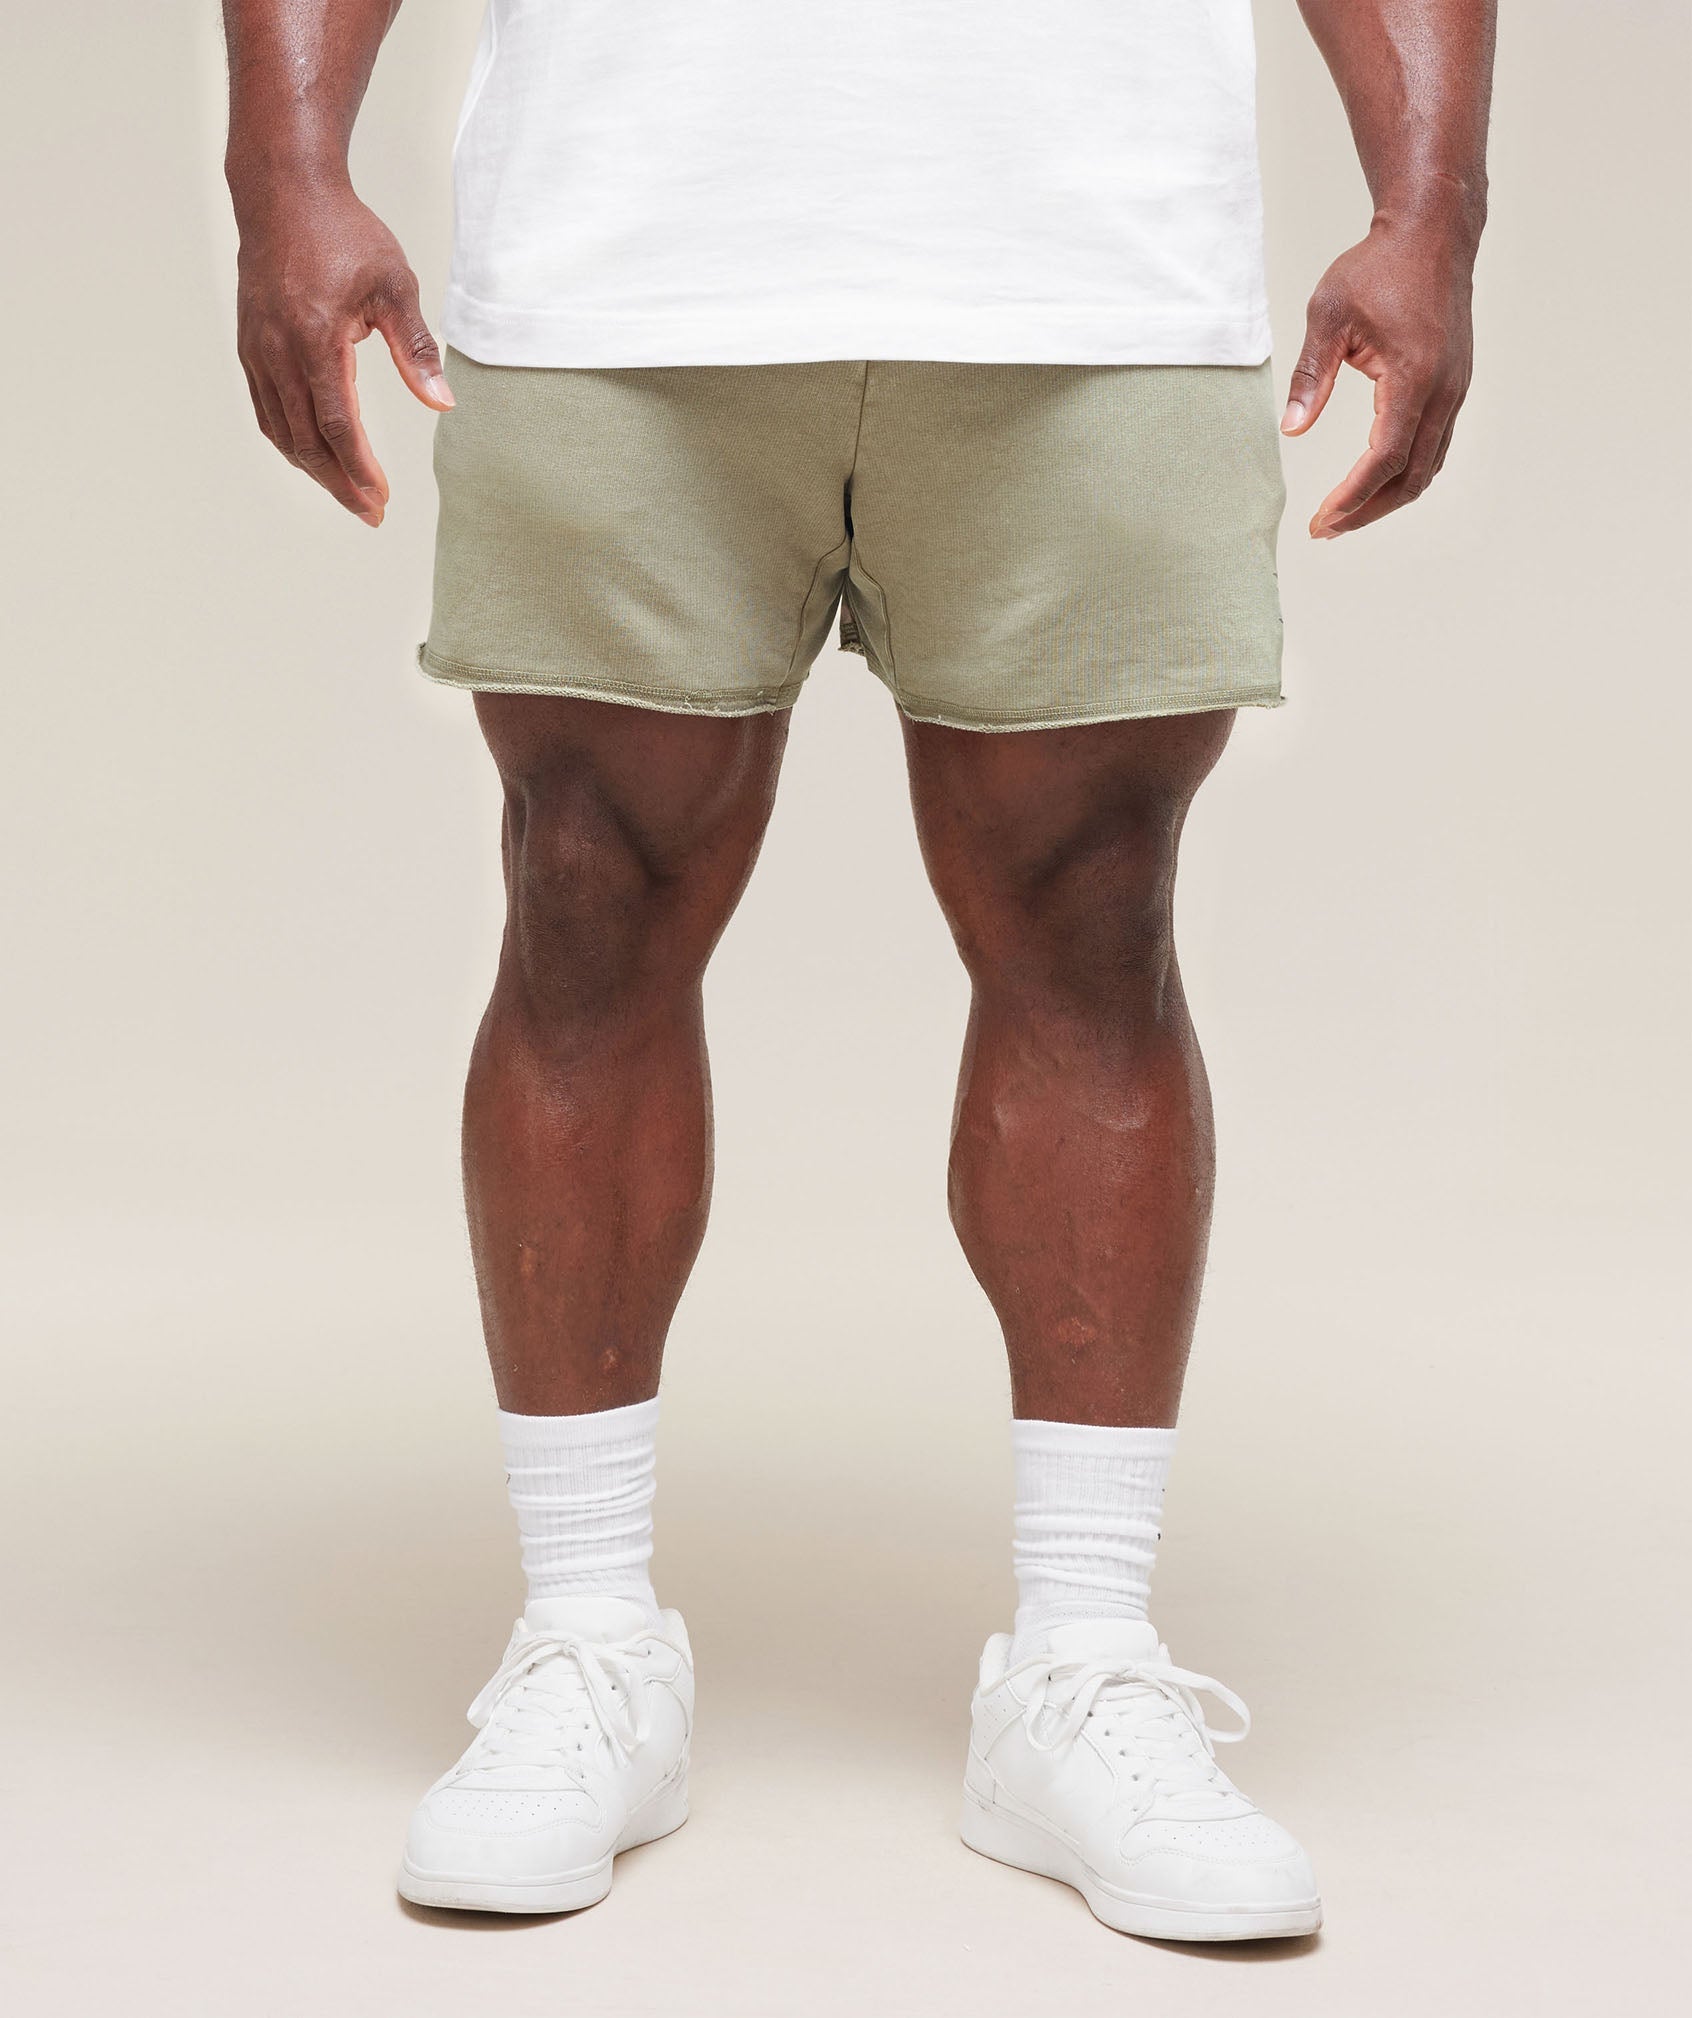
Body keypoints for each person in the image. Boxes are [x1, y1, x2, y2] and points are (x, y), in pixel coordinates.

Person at [222, 0, 1493, 1940]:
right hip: (621, 243)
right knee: (586, 890)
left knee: (1096, 913)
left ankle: (1082, 1660)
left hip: (1092, 253)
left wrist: (1431, 203)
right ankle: (587, 1640)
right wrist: (285, 165)